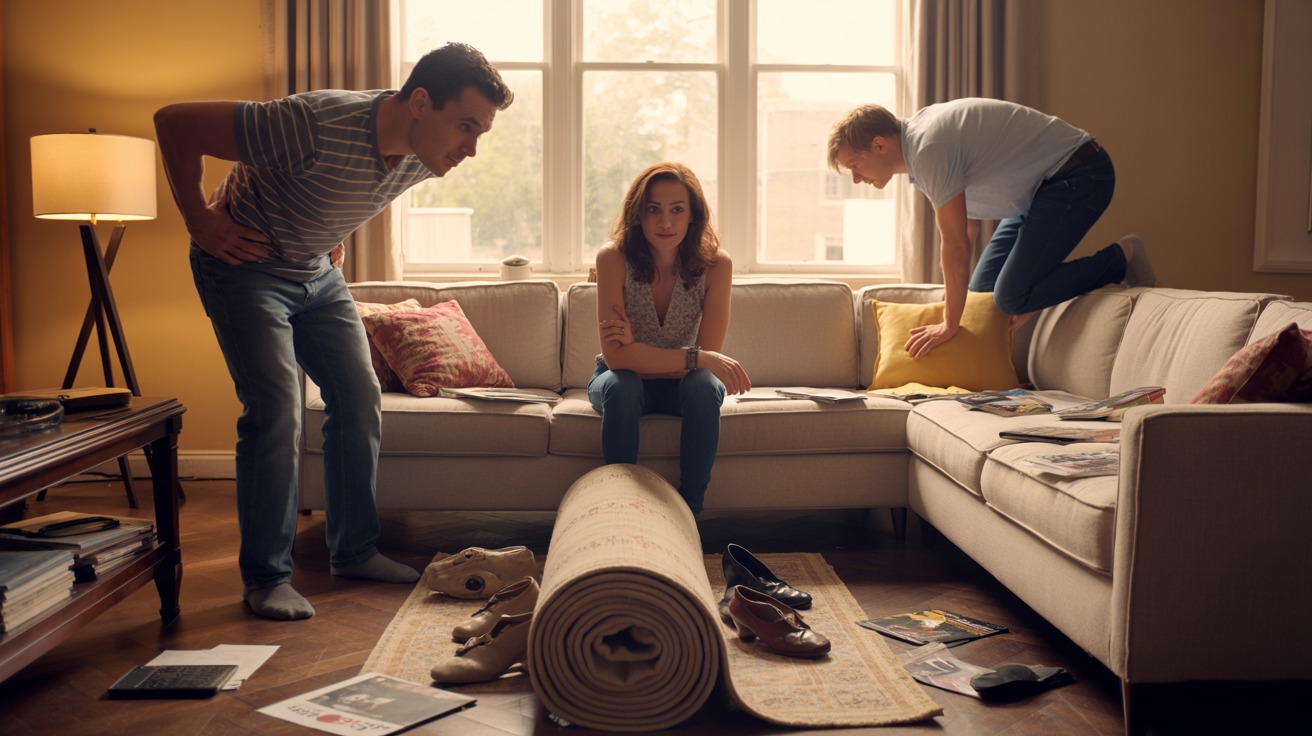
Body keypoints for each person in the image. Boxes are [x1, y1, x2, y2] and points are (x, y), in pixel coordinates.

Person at [153, 42, 514, 620]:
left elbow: (352, 188)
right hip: (243, 270)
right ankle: (266, 578)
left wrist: (329, 230)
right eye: (465, 127)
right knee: (276, 407)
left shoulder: (427, 154)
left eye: (481, 134)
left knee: (359, 395)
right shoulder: (313, 122)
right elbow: (174, 123)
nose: (470, 150)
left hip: (317, 275)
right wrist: (200, 221)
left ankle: (353, 551)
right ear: (420, 102)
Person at [827, 98, 1155, 359]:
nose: (856, 179)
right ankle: (1027, 293)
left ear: (880, 145)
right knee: (984, 293)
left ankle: (1121, 259)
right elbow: (966, 227)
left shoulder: (928, 149)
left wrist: (949, 323)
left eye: (854, 166)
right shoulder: (921, 144)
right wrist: (1011, 297)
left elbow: (954, 245)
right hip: (1036, 195)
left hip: (1078, 174)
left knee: (1009, 296)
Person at [589, 162, 751, 515]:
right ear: (638, 214)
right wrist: (697, 358)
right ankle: (619, 506)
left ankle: (690, 512)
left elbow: (702, 360)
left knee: (703, 386)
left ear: (693, 216)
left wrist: (639, 351)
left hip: (682, 387)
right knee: (623, 384)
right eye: (654, 210)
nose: (665, 223)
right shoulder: (613, 258)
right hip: (620, 384)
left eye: (677, 210)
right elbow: (617, 360)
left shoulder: (716, 266)